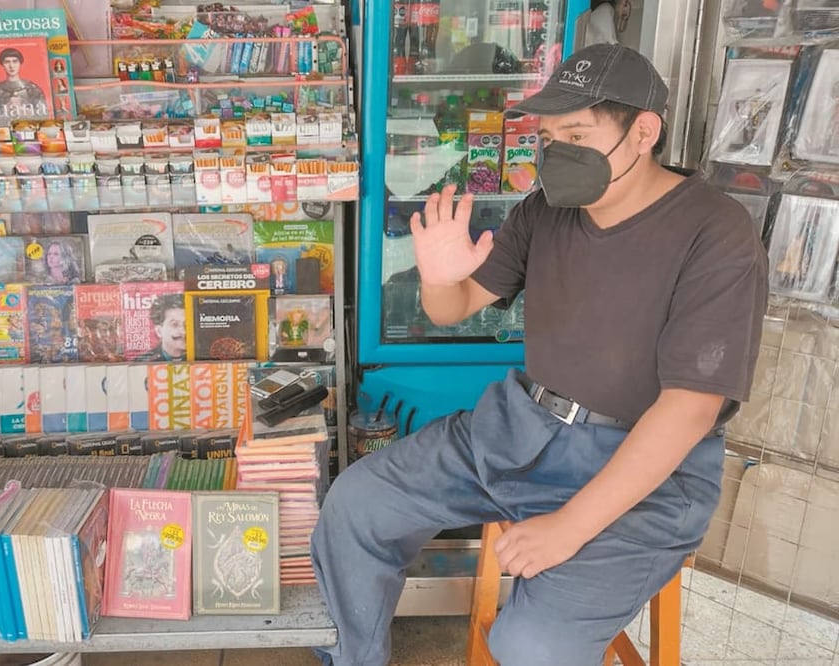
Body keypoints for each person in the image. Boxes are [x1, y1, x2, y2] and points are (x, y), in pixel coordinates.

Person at [311, 44, 768, 666]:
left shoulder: (715, 232)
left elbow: (689, 409)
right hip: (517, 431)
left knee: (531, 646)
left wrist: (570, 526)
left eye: (577, 134)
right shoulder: (546, 209)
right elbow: (455, 307)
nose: (558, 154)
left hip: (647, 472)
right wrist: (439, 277)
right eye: (550, 137)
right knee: (355, 505)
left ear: (644, 131)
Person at [0, 48, 47, 122]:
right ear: (2, 64)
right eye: (7, 62)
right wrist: (6, 109)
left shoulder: (33, 89)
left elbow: (43, 117)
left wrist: (25, 111)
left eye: (15, 61)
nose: (11, 66)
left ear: (20, 63)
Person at [136, 293, 186, 362]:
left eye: (187, 324)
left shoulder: (201, 356)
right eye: (175, 324)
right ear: (159, 331)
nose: (184, 331)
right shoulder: (142, 362)